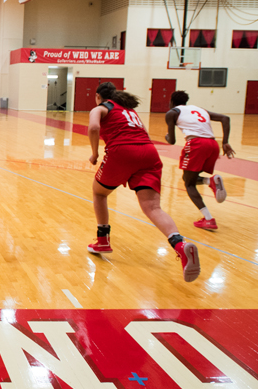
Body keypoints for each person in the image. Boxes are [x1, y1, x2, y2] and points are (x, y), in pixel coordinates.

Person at [87, 81, 200, 283]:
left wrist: (95, 153)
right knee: (153, 208)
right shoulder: (129, 109)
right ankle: (180, 244)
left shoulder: (100, 108)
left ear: (98, 96)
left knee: (99, 192)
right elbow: (144, 132)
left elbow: (94, 127)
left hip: (122, 150)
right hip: (149, 152)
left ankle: (103, 240)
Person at [164, 91, 235, 231]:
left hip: (196, 144)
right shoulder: (199, 109)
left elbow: (172, 141)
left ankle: (208, 219)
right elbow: (225, 118)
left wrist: (166, 137)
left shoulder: (172, 113)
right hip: (212, 145)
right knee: (188, 177)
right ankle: (210, 181)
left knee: (189, 184)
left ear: (171, 101)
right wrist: (225, 142)